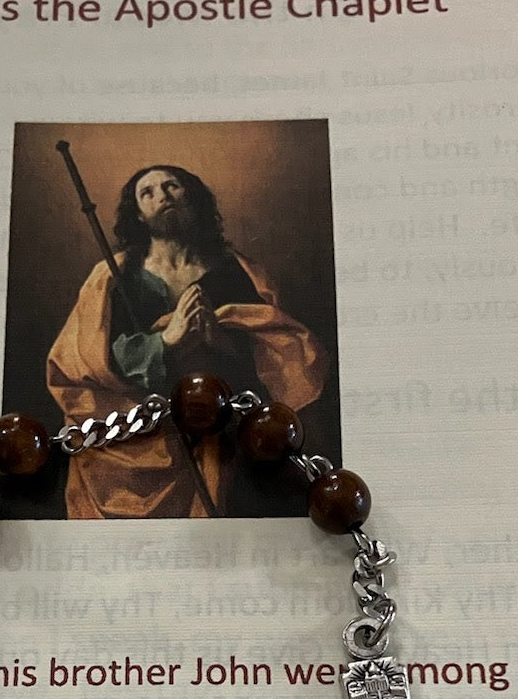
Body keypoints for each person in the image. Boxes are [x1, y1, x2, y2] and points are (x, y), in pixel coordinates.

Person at [47, 164, 329, 518]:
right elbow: (86, 359)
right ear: (138, 214)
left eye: (172, 186)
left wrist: (220, 339)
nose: (162, 196)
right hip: (139, 433)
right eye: (148, 192)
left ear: (192, 196)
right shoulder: (113, 276)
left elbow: (275, 352)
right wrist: (165, 342)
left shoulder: (239, 270)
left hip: (223, 431)